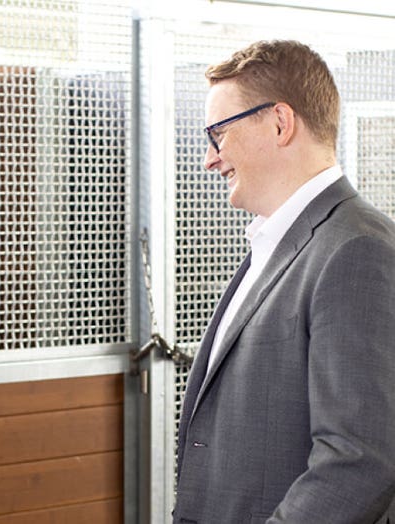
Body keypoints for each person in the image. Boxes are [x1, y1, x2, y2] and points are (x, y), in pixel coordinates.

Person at [173, 40, 395, 523]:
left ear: (279, 122)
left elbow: (359, 461)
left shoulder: (357, 250)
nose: (210, 159)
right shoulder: (279, 242)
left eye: (219, 134)